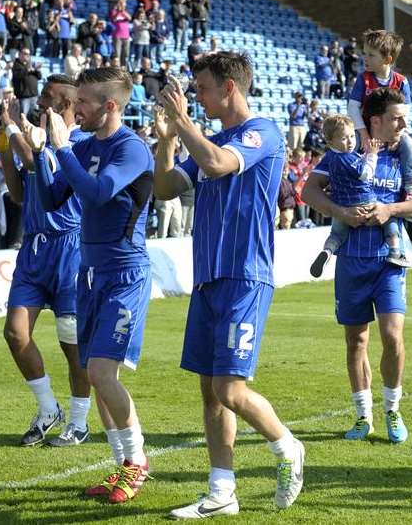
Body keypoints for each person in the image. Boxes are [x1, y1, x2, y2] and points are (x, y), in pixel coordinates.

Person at [152, 51, 304, 518]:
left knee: (230, 391)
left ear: (229, 88)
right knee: (209, 392)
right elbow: (163, 188)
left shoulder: (264, 132)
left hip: (244, 276)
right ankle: (222, 492)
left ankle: (287, 446)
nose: (196, 96)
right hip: (208, 279)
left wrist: (183, 123)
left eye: (201, 87)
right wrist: (166, 141)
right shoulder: (208, 139)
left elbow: (218, 164)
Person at [33, 68, 154, 504]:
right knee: (96, 373)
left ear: (109, 106)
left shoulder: (132, 149)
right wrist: (40, 155)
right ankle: (123, 466)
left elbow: (100, 192)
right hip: (90, 274)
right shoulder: (83, 147)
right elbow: (52, 199)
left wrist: (63, 148)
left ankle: (136, 462)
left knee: (101, 372)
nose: (73, 108)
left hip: (125, 275)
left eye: (82, 101)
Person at [302, 87, 412, 443]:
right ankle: (363, 417)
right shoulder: (343, 152)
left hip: (389, 261)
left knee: (392, 336)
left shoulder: (404, 156)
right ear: (375, 121)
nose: (403, 125)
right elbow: (309, 191)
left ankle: (393, 410)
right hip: (351, 260)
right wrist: (340, 212)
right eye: (396, 119)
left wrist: (390, 209)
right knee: (356, 341)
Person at [0, 76, 94, 449]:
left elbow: (36, 161)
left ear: (68, 102)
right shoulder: (35, 136)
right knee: (15, 332)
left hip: (70, 249)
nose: (40, 101)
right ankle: (47, 409)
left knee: (72, 347)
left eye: (48, 96)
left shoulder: (79, 143)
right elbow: (20, 192)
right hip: (35, 249)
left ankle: (80, 422)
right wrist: (5, 147)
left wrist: (12, 127)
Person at [310, 113, 411, 277]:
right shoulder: (348, 157)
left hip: (342, 206)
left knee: (336, 235)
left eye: (351, 136)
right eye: (344, 138)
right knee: (389, 217)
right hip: (365, 202)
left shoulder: (329, 157)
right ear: (330, 141)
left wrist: (363, 156)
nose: (350, 142)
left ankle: (327, 252)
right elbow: (366, 174)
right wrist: (372, 154)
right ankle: (395, 251)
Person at [347, 29, 412, 199]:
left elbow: (405, 112)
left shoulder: (401, 81)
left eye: (371, 55)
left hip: (392, 130)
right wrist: (364, 134)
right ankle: (344, 182)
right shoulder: (363, 78)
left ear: (388, 59)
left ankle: (410, 187)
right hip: (365, 129)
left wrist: (397, 135)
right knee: (349, 145)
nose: (365, 58)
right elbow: (352, 108)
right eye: (365, 53)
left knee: (410, 145)